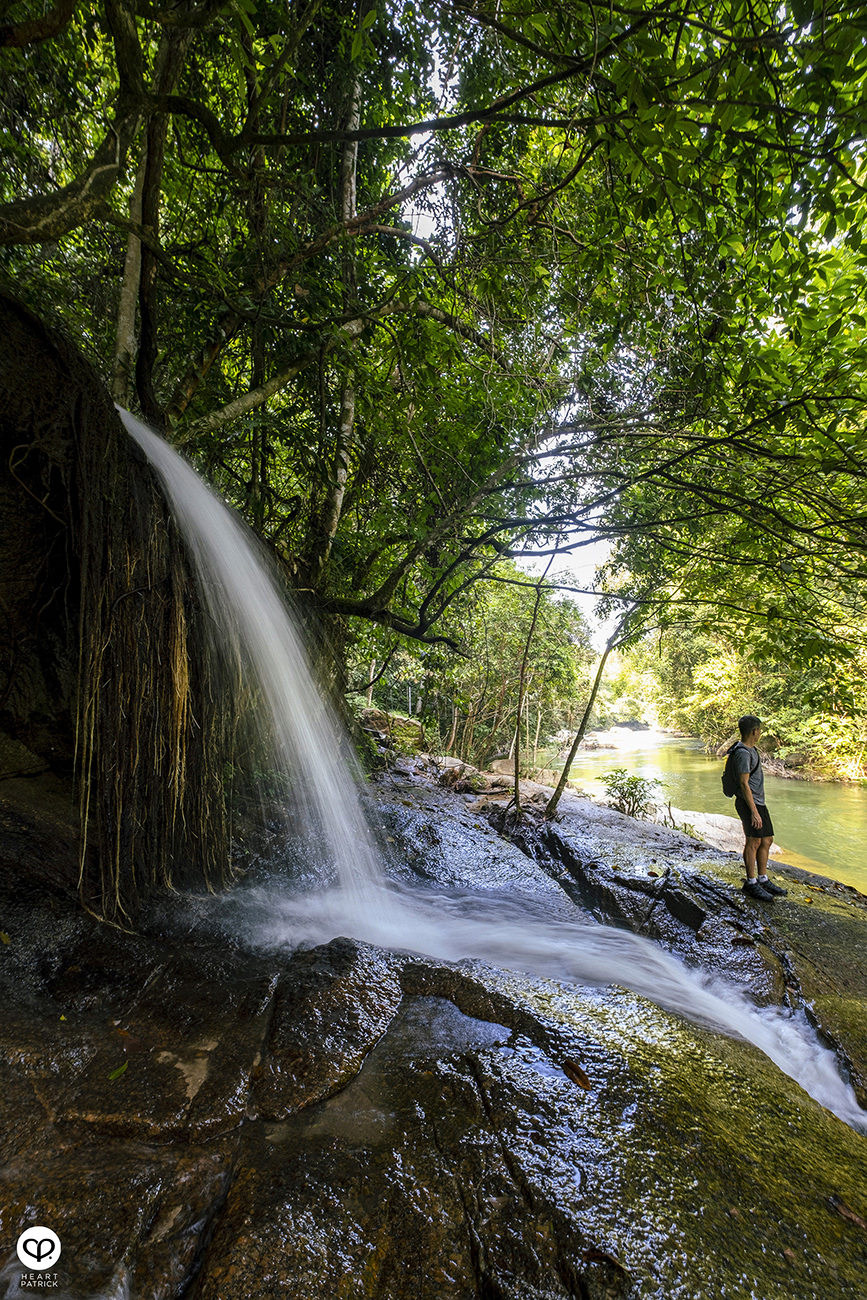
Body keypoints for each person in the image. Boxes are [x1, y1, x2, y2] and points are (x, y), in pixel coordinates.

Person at [732, 715, 787, 900]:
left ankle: (763, 879)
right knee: (753, 841)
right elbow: (743, 783)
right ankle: (751, 883)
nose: (760, 733)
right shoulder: (743, 753)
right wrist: (754, 811)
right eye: (759, 730)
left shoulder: (751, 749)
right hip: (748, 803)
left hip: (758, 802)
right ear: (755, 731)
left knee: (767, 840)